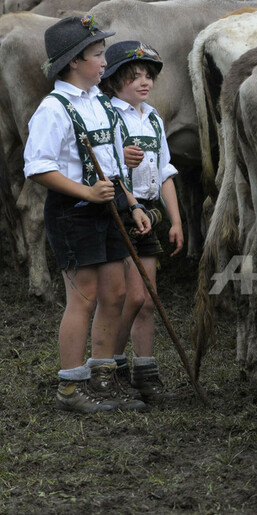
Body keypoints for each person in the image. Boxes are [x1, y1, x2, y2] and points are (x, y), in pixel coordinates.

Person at [25, 15, 150, 413]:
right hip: (73, 212)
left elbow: (112, 163)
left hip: (110, 206)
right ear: (74, 61)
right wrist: (86, 192)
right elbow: (38, 167)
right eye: (97, 54)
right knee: (83, 298)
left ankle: (103, 378)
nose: (103, 62)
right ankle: (70, 386)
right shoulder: (53, 108)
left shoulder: (100, 103)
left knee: (114, 294)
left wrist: (131, 203)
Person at [100, 40, 183, 403]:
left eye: (148, 75)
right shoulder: (109, 115)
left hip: (149, 211)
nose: (144, 82)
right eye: (134, 76)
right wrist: (123, 158)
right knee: (130, 297)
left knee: (148, 299)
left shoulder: (153, 117)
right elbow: (106, 165)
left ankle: (145, 373)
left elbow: (165, 172)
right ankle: (111, 366)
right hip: (120, 210)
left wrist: (176, 221)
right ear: (115, 80)